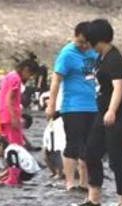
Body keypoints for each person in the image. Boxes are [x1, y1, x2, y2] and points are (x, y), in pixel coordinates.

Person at [73, 19, 122, 206]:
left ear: (97, 40)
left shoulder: (115, 59)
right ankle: (94, 200)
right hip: (102, 114)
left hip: (119, 115)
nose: (88, 46)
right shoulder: (101, 57)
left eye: (89, 41)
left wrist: (111, 110)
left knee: (117, 159)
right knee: (91, 153)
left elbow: (119, 87)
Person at [45, 22, 99, 191]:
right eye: (79, 41)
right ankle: (69, 183)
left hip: (92, 105)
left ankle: (84, 183)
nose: (82, 45)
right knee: (73, 144)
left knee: (89, 146)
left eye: (86, 42)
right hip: (72, 106)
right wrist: (51, 104)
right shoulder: (67, 54)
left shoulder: (93, 52)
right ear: (74, 36)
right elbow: (56, 80)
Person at [0, 58, 39, 147]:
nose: (29, 78)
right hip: (10, 115)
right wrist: (13, 117)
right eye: (30, 75)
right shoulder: (16, 79)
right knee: (16, 146)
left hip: (3, 114)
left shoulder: (9, 75)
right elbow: (9, 99)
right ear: (26, 70)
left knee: (7, 144)